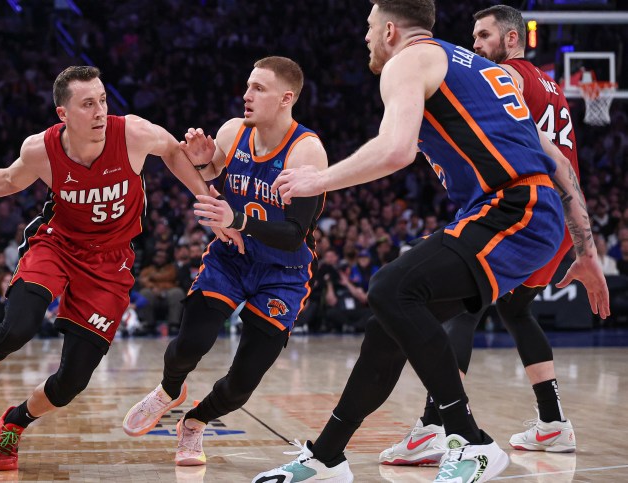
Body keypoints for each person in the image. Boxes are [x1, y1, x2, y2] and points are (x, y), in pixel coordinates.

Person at [254, 1, 609, 482]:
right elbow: (560, 163)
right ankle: (326, 457)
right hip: (527, 215)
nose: (366, 37)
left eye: (369, 27)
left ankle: (470, 441)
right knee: (386, 327)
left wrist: (318, 181)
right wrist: (586, 252)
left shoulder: (409, 60)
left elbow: (396, 150)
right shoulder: (482, 70)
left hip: (514, 209)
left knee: (390, 288)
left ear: (391, 30)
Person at [0, 65, 217, 472]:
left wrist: (206, 200)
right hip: (57, 245)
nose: (100, 111)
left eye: (102, 100)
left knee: (71, 383)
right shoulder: (41, 149)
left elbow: (174, 151)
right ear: (63, 114)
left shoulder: (133, 133)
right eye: (88, 104)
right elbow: (9, 179)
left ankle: (14, 423)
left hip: (109, 263)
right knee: (18, 326)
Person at [379, 5, 586, 466]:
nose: (474, 45)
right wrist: (585, 242)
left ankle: (435, 427)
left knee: (461, 307)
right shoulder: (550, 85)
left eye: (483, 35)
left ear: (512, 40)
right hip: (556, 212)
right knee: (513, 308)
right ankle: (552, 421)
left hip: (525, 209)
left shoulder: (503, 78)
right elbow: (563, 161)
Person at [122, 56, 328, 467]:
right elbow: (218, 176)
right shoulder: (233, 131)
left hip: (284, 272)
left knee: (241, 384)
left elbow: (292, 235)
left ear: (287, 98)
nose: (246, 95)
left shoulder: (307, 152)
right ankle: (169, 390)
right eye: (248, 85)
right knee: (190, 343)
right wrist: (204, 163)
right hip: (232, 256)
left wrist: (239, 219)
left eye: (258, 89)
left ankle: (195, 423)